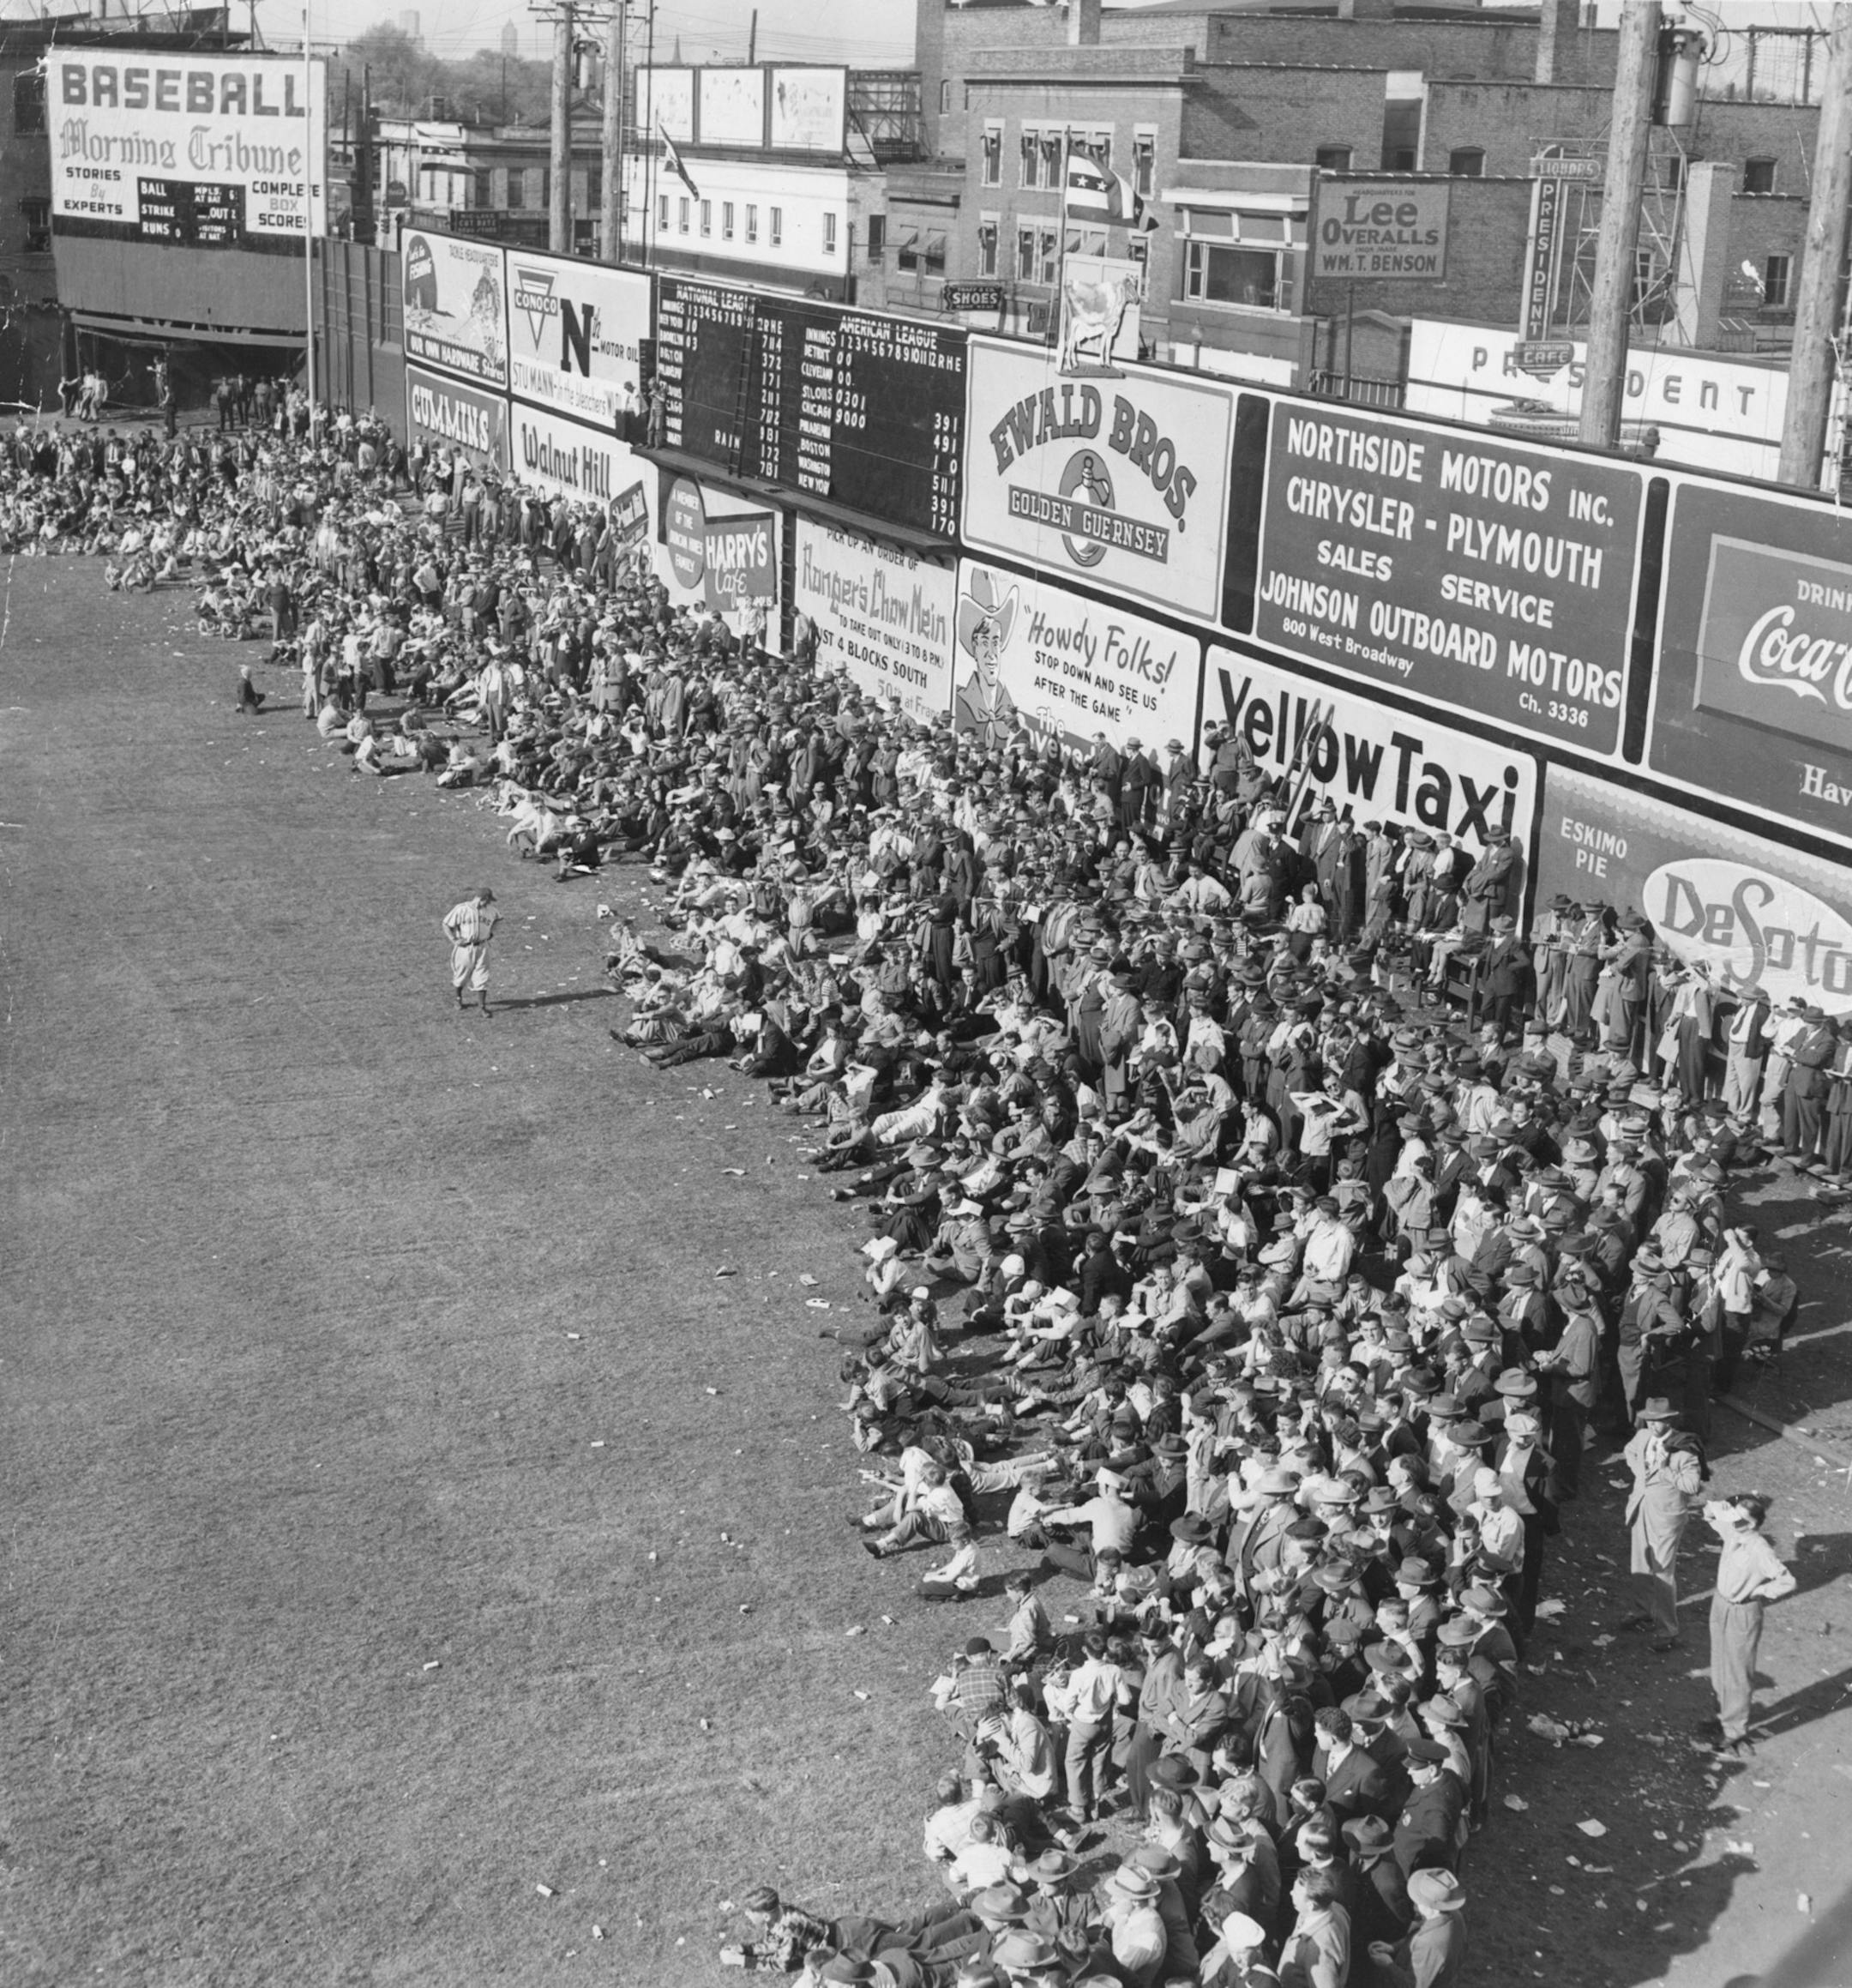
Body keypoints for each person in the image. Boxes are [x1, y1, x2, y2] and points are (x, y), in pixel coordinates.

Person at [1703, 1493, 1796, 1756]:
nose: (1734, 1523)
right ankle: (1721, 1716)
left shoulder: (1759, 1549)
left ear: (1754, 1524)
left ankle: (1734, 1732)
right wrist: (1723, 1508)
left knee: (1738, 1673)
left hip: (1743, 1611)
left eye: (1740, 1520)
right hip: (1720, 1605)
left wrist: (1760, 1592)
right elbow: (1709, 1514)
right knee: (1719, 1665)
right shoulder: (1734, 1530)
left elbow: (1787, 1581)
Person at [1622, 1399, 1703, 1649]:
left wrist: (1665, 1470)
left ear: (1669, 1420)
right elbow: (1629, 1451)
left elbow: (1693, 1486)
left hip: (1667, 1517)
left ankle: (1668, 1630)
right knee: (1640, 1565)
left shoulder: (1684, 1448)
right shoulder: (1643, 1436)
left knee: (1662, 1572)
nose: (1654, 1425)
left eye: (1660, 1421)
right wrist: (1640, 1471)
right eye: (1651, 1420)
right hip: (1641, 1508)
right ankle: (1642, 1611)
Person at [442, 887, 499, 1015]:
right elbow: (446, 924)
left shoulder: (490, 910)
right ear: (482, 899)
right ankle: (458, 999)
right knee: (461, 975)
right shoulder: (461, 909)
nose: (489, 903)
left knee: (482, 976)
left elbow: (498, 919)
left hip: (483, 947)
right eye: (488, 900)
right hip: (465, 948)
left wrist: (492, 932)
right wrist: (454, 940)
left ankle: (482, 1007)